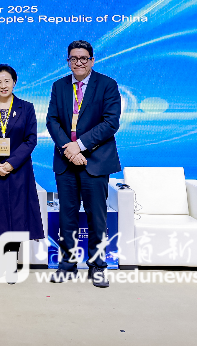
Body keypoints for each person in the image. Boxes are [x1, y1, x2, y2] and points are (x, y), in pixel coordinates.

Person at [46, 40, 121, 288]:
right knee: (66, 216)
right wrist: (69, 149)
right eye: (73, 58)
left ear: (92, 60)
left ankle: (97, 267)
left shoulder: (107, 85)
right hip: (66, 161)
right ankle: (67, 266)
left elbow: (110, 123)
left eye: (83, 58)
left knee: (97, 218)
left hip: (95, 161)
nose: (78, 62)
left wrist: (79, 146)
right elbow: (52, 121)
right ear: (68, 61)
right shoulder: (59, 86)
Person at [0, 64, 45, 280]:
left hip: (18, 170)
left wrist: (11, 163)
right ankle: (4, 263)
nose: (3, 85)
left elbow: (31, 139)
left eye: (7, 81)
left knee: (17, 216)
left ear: (14, 82)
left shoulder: (26, 108)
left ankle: (10, 265)